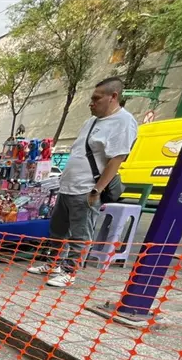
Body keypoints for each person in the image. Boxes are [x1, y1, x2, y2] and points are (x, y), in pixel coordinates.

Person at [26, 77, 138, 288]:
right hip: (68, 185)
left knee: (80, 233)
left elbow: (117, 159)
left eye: (97, 99)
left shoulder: (124, 122)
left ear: (113, 97)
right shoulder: (92, 121)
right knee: (58, 230)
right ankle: (54, 263)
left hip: (87, 189)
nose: (91, 103)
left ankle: (69, 272)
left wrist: (97, 189)